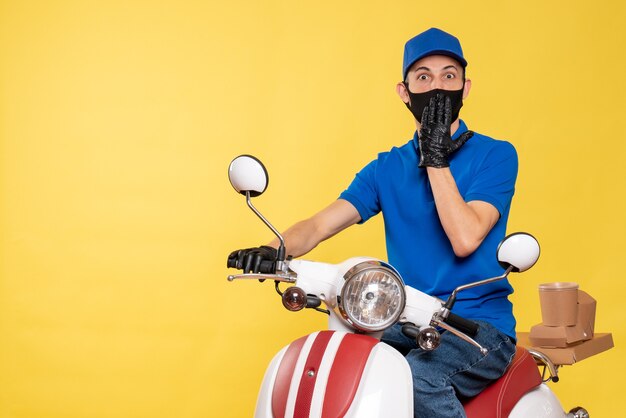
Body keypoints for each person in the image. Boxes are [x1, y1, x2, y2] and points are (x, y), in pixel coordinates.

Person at [228, 27, 518, 418]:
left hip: (476, 328)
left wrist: (435, 158)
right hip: (404, 315)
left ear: (465, 88)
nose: (436, 87)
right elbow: (318, 225)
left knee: (419, 378)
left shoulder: (496, 156)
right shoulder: (386, 168)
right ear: (404, 91)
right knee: (339, 363)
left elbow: (465, 239)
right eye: (423, 77)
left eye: (449, 76)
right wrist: (275, 249)